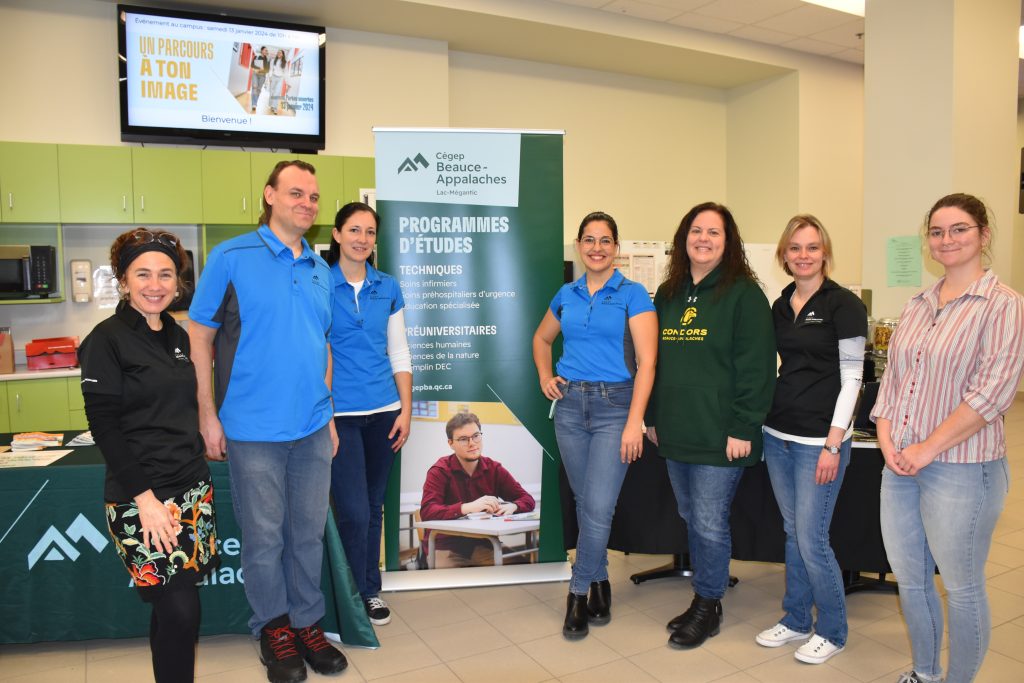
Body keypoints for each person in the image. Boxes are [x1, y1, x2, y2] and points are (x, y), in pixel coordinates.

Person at [189, 160, 347, 683]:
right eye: (296, 193)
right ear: (270, 195)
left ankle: (307, 624)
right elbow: (199, 336)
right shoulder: (231, 257)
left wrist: (328, 414)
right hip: (252, 428)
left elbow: (323, 344)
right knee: (264, 539)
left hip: (312, 428)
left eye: (314, 197)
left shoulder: (320, 269)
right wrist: (207, 414)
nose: (307, 204)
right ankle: (273, 629)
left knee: (307, 536)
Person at [872, 193, 1024, 683]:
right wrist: (888, 441)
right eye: (937, 231)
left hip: (963, 469)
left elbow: (992, 393)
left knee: (961, 587)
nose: (946, 239)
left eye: (959, 229)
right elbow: (894, 383)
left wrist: (927, 448)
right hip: (901, 465)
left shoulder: (1003, 305)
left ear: (983, 234)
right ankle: (925, 674)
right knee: (911, 582)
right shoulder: (918, 305)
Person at [79, 227, 219, 683]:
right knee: (181, 610)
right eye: (143, 274)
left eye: (165, 274)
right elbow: (104, 426)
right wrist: (145, 500)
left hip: (191, 489)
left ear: (177, 282)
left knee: (171, 608)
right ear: (123, 280)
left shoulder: (176, 335)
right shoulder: (106, 339)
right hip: (142, 497)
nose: (155, 284)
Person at [646, 202, 775, 649]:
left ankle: (707, 603)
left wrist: (744, 426)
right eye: (696, 230)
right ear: (684, 239)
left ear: (728, 241)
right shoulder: (668, 293)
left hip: (721, 435)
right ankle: (707, 593)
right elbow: (653, 362)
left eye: (714, 232)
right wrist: (652, 416)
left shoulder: (745, 295)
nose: (703, 239)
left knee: (708, 521)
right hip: (676, 429)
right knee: (692, 516)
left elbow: (758, 369)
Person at [533, 211, 658, 640]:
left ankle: (578, 592)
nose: (597, 248)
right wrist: (545, 377)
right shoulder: (566, 293)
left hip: (614, 408)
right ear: (579, 245)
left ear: (616, 248)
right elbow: (541, 339)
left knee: (600, 506)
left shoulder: (633, 294)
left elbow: (648, 363)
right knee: (586, 501)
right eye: (589, 240)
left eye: (605, 240)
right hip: (569, 407)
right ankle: (601, 579)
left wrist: (635, 421)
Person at [755, 215, 866, 664]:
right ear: (784, 254)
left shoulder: (844, 304)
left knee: (813, 538)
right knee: (792, 533)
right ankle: (797, 618)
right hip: (778, 434)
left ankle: (833, 631)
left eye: (812, 247)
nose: (804, 255)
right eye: (795, 247)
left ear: (825, 253)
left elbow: (853, 378)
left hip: (819, 440)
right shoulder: (780, 304)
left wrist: (834, 443)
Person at [327, 202, 412, 626]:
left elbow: (399, 351)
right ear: (337, 234)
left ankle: (368, 592)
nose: (362, 239)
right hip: (339, 415)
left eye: (370, 232)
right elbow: (315, 353)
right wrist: (325, 416)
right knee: (353, 510)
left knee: (374, 506)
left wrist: (406, 410)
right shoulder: (320, 284)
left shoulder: (387, 286)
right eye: (354, 230)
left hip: (384, 413)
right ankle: (347, 594)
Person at [419, 412, 536, 568]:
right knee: (453, 580)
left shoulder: (494, 468)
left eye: (476, 436)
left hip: (483, 544)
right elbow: (427, 511)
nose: (472, 443)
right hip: (445, 546)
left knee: (521, 568)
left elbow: (527, 499)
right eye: (463, 439)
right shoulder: (439, 471)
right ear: (451, 443)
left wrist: (514, 506)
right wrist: (468, 507)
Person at [250, 46, 269, 113]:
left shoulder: (267, 59)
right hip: (255, 74)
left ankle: (255, 102)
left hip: (262, 76)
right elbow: (252, 65)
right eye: (265, 50)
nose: (266, 51)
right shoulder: (256, 57)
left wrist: (262, 69)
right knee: (254, 87)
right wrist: (257, 69)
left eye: (267, 51)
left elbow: (267, 70)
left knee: (258, 89)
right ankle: (254, 104)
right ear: (262, 51)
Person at [268, 49, 287, 114]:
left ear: (282, 55)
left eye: (280, 53)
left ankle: (275, 108)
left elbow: (285, 72)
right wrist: (270, 77)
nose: (279, 53)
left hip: (280, 78)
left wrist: (287, 82)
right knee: (272, 92)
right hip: (273, 77)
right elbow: (271, 69)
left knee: (277, 93)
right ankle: (271, 105)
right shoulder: (273, 60)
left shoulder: (284, 62)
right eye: (278, 52)